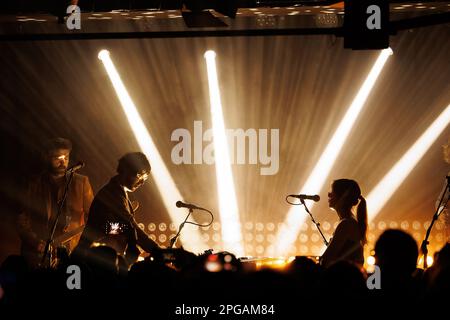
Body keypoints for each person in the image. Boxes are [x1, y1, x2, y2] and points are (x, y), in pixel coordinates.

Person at [16, 137, 94, 268]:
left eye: (66, 157)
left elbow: (93, 217)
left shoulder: (81, 183)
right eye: (58, 158)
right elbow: (21, 220)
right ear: (47, 157)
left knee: (72, 286)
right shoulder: (33, 184)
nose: (63, 162)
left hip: (71, 253)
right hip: (38, 254)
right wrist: (36, 243)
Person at [74, 152, 161, 267]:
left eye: (145, 178)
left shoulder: (118, 192)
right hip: (91, 260)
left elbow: (113, 227)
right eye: (140, 175)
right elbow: (128, 225)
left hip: (94, 259)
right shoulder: (112, 194)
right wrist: (158, 251)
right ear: (127, 171)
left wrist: (128, 232)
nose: (142, 182)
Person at [320, 179, 367, 268]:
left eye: (332, 192)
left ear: (343, 196)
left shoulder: (346, 224)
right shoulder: (348, 222)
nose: (328, 194)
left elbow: (326, 259)